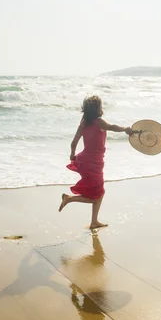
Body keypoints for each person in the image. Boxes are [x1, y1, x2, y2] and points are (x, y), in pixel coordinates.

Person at [58, 95, 134, 229]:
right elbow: (113, 127)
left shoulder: (83, 124)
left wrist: (72, 156)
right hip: (93, 163)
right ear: (97, 109)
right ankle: (69, 199)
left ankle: (94, 221)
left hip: (84, 161)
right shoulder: (99, 122)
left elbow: (73, 142)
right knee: (96, 195)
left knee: (99, 192)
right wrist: (125, 129)